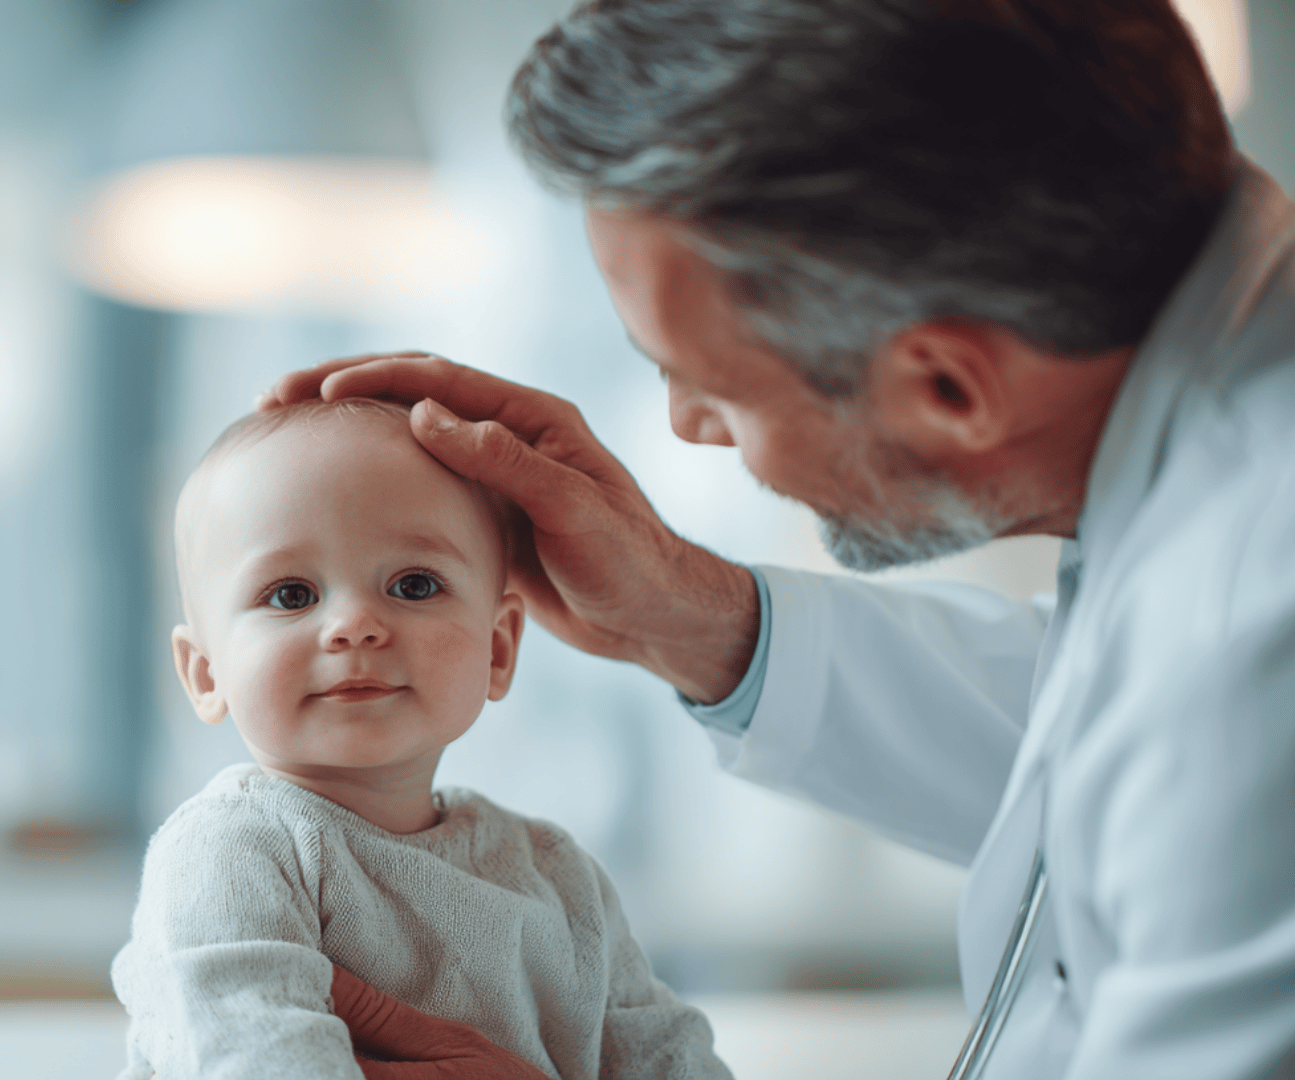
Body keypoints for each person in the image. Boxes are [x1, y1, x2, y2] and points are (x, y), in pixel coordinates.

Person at [261, 2, 1295, 1078]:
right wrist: (679, 612)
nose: (686, 427)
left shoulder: (1255, 637)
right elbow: (1089, 747)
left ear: (948, 386)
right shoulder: (1210, 481)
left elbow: (1189, 740)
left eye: (711, 386)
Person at [109, 399, 732, 1080]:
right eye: (291, 594)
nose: (354, 624)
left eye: (413, 585)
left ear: (498, 650)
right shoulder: (229, 853)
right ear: (206, 674)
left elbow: (675, 1061)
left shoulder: (557, 875)